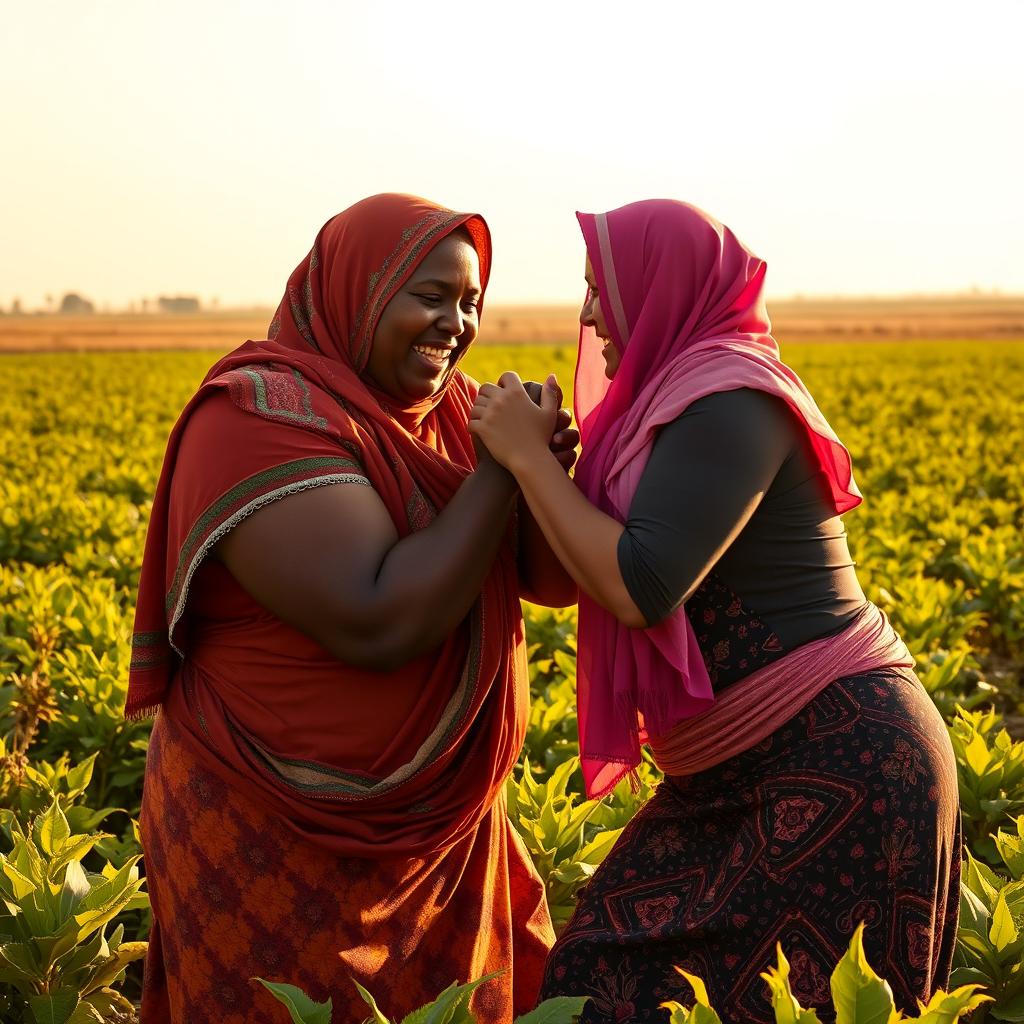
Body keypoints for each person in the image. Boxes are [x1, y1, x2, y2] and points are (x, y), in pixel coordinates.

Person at [468, 199, 960, 1023]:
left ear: (668, 286)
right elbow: (567, 578)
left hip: (842, 762)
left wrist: (527, 460)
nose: (590, 312)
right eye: (588, 289)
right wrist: (535, 472)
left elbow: (637, 584)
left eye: (605, 288)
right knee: (596, 976)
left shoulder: (732, 398)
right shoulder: (657, 410)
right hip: (737, 770)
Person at [127, 193, 578, 1024]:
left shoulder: (451, 415)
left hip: (440, 845)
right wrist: (498, 475)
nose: (456, 322)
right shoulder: (258, 416)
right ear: (357, 291)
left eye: (471, 301)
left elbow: (548, 580)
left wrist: (545, 470)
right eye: (431, 296)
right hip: (268, 827)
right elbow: (379, 620)